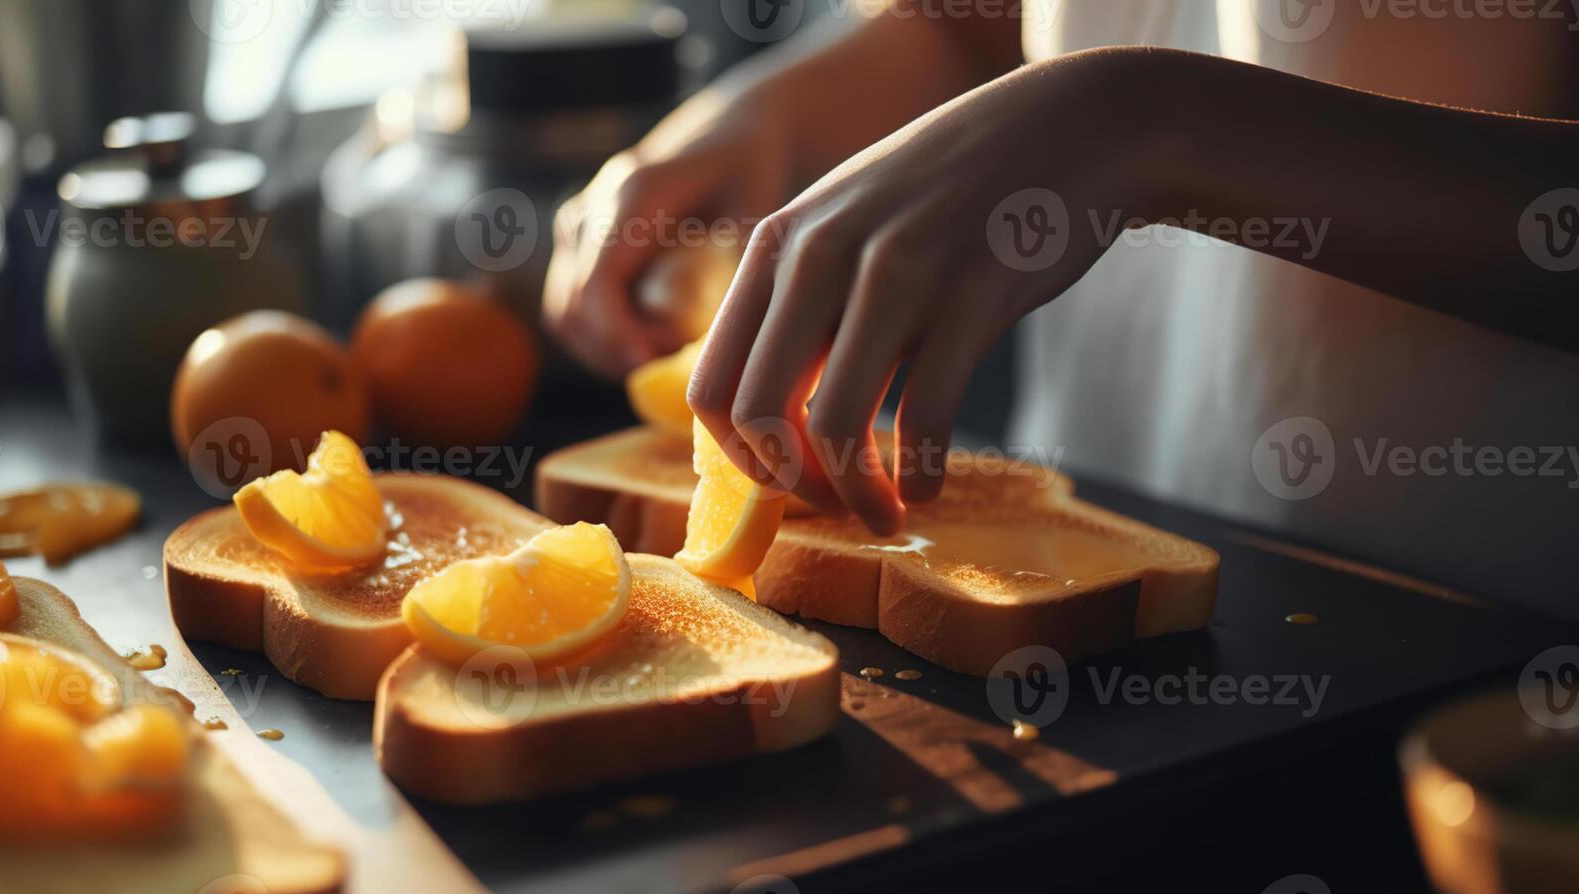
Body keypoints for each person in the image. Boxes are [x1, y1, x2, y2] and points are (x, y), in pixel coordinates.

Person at [542, 3, 1579, 619]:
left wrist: (1144, 123)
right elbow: (997, 19)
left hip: (1487, 666)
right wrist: (774, 106)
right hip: (1092, 543)